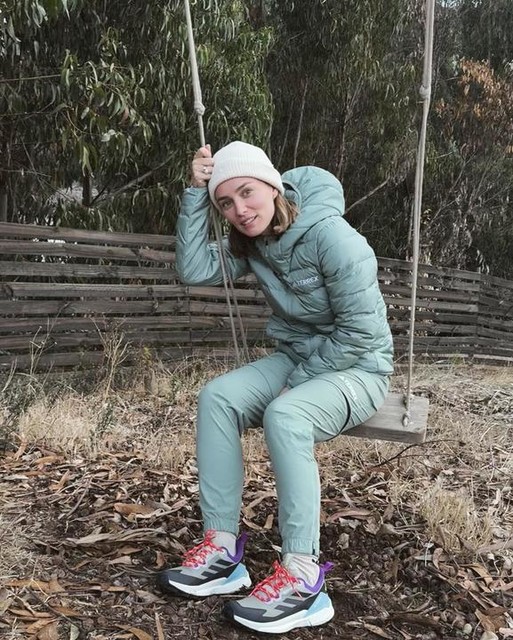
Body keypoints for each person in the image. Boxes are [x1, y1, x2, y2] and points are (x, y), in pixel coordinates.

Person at [157, 141, 393, 634]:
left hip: (360, 367)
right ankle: (222, 552)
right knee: (218, 397)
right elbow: (195, 269)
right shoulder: (255, 242)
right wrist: (196, 194)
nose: (240, 210)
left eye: (247, 193)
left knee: (286, 416)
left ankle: (304, 578)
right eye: (226, 203)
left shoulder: (333, 237)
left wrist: (298, 384)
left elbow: (362, 333)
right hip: (299, 359)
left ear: (272, 186)